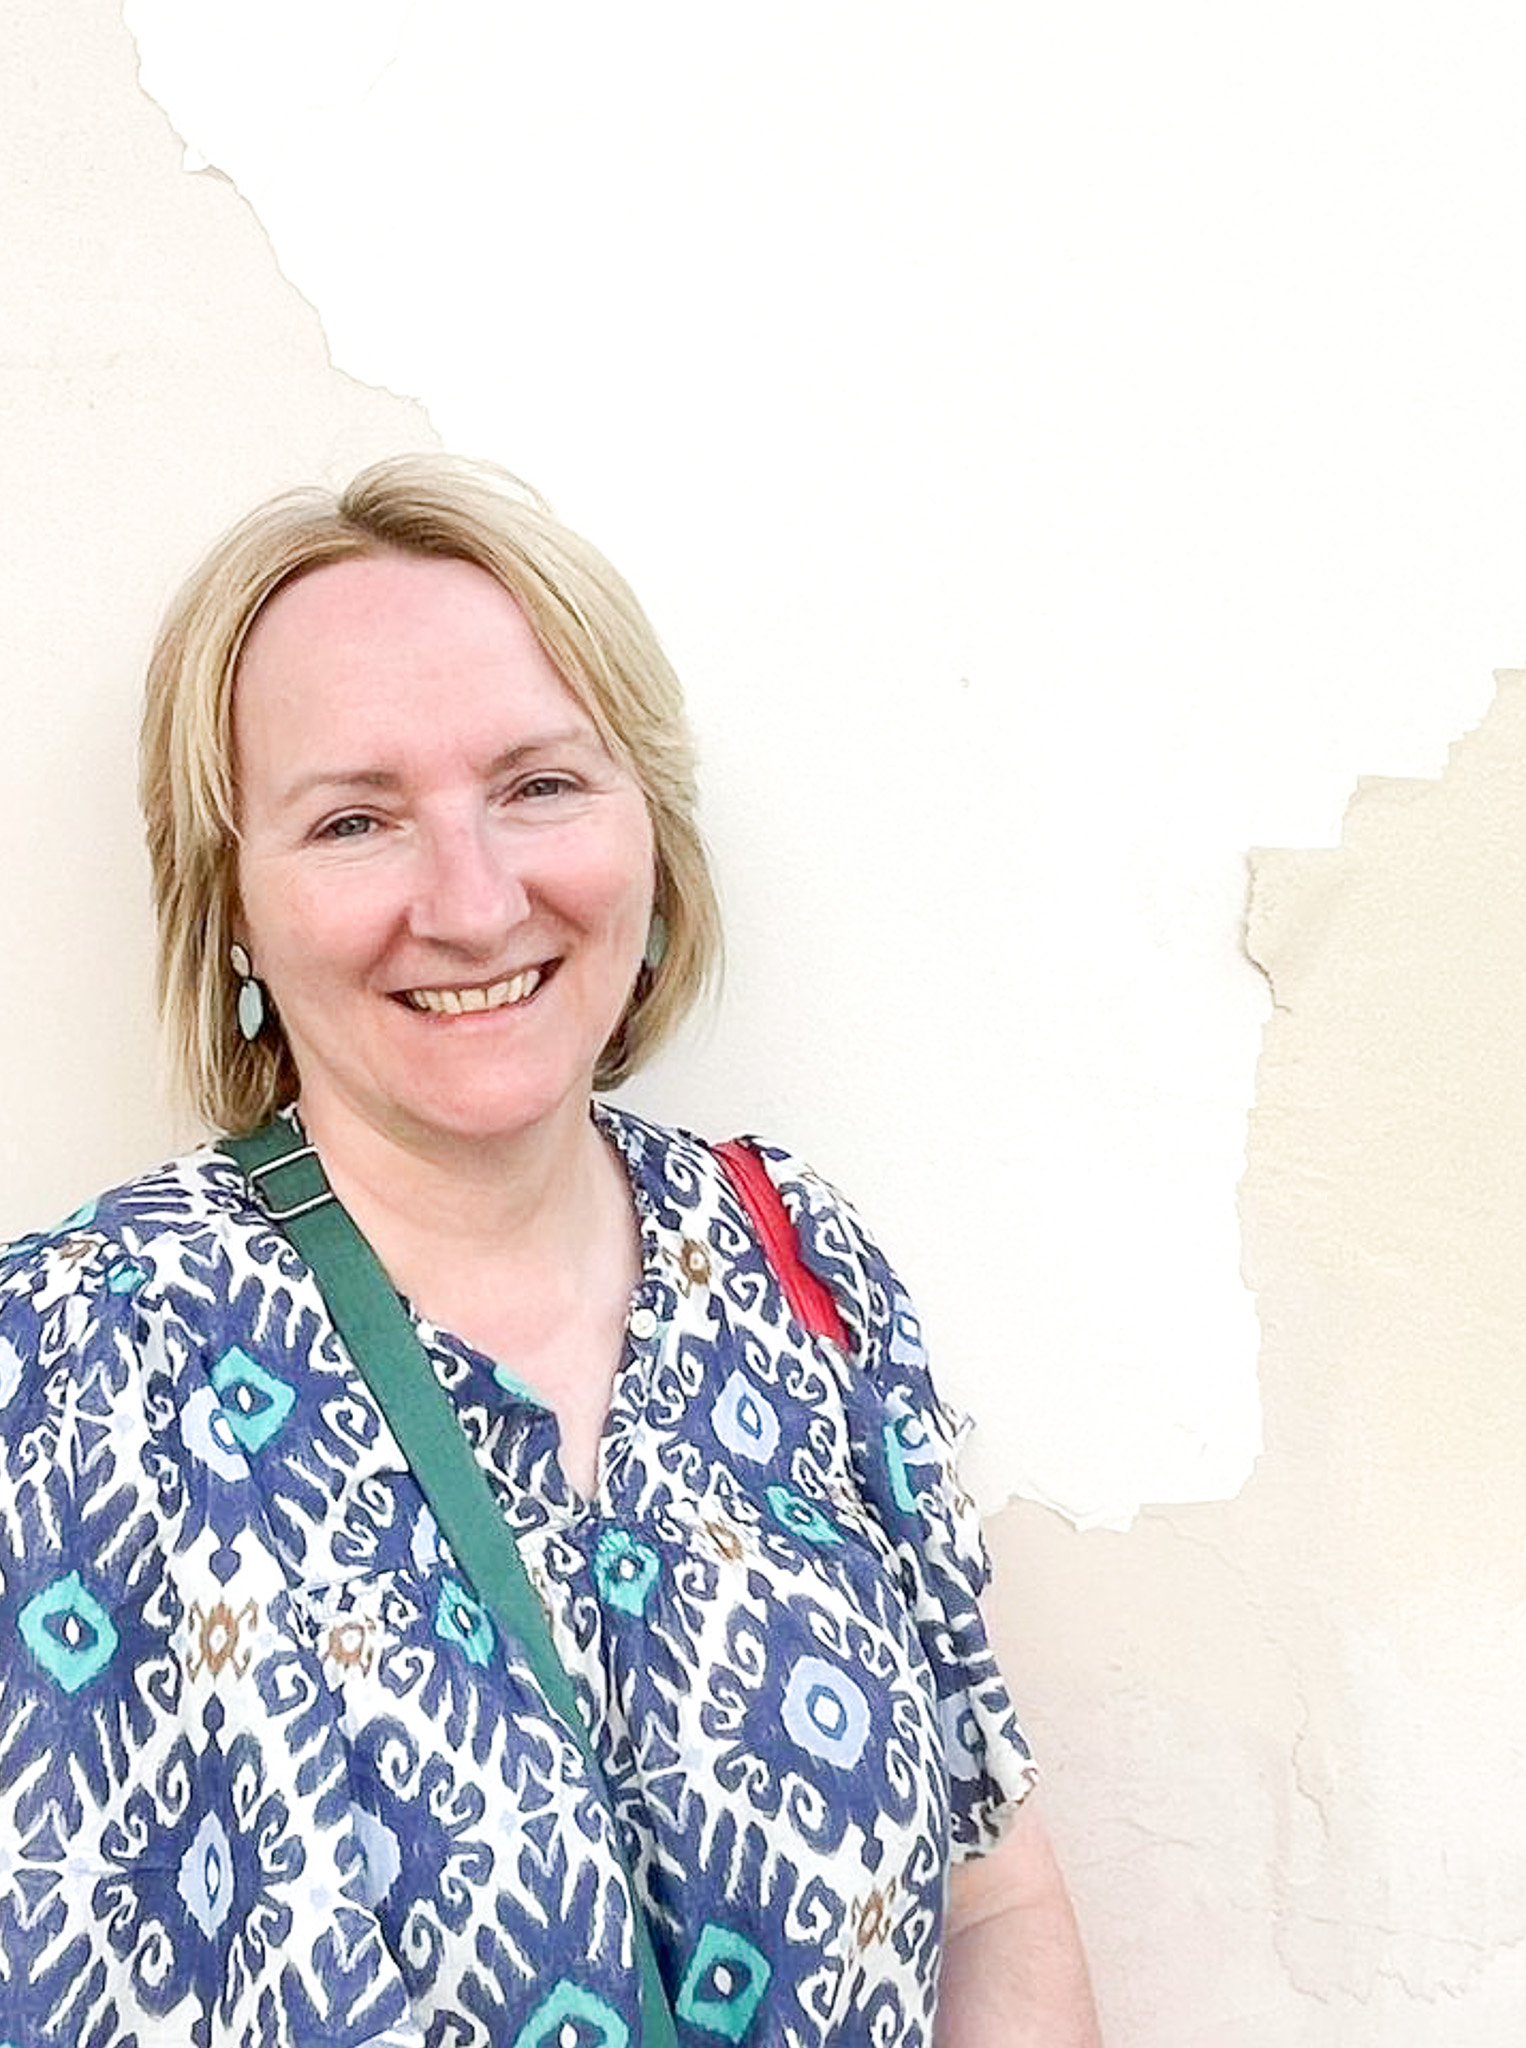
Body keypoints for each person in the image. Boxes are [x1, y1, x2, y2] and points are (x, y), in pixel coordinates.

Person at [0, 456, 1100, 2046]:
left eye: (537, 787)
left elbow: (990, 1900)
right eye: (355, 819)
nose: (472, 901)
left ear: (646, 828)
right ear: (231, 905)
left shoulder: (796, 1263)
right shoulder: (75, 1363)